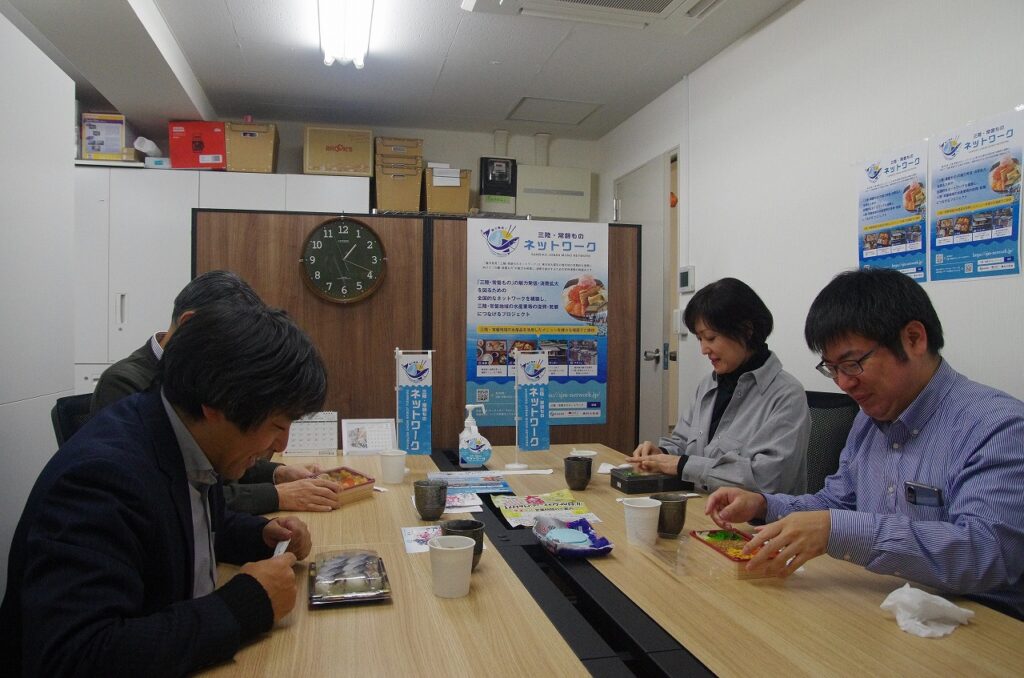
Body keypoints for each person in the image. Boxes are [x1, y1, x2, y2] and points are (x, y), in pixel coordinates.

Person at [1, 302, 327, 675]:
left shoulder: (180, 435)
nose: (282, 445)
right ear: (218, 404)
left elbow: (183, 527)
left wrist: (260, 536)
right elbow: (76, 656)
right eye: (277, 426)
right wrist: (243, 606)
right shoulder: (102, 478)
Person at [705, 269, 1024, 619]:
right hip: (885, 603)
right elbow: (836, 502)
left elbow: (986, 554)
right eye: (832, 368)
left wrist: (838, 531)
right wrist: (764, 505)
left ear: (914, 339)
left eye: (852, 364)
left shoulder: (997, 426)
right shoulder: (869, 419)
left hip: (978, 621)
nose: (844, 383)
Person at [90, 270, 339, 514]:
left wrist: (277, 473)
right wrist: (275, 496)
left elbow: (221, 453)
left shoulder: (210, 393)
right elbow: (176, 492)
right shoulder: (126, 384)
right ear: (190, 325)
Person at [630, 278, 809, 494]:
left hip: (750, 516)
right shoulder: (708, 384)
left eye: (711, 338)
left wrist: (682, 465)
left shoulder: (787, 395)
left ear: (746, 330)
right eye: (699, 339)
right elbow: (682, 442)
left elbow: (766, 480)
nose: (704, 350)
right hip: (699, 505)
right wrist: (661, 454)